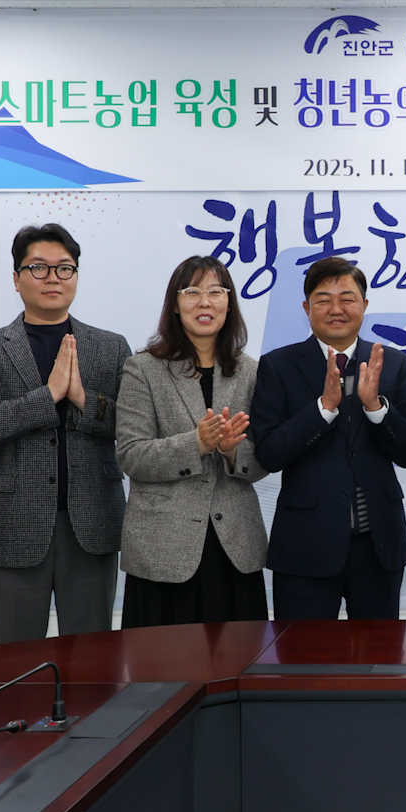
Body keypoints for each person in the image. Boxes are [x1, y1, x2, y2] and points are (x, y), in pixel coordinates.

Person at [0, 224, 131, 645]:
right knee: (16, 659)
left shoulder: (111, 347)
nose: (53, 277)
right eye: (38, 268)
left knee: (90, 657)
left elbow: (132, 426)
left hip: (92, 521)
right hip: (12, 522)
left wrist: (83, 399)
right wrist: (47, 397)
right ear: (16, 279)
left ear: (76, 276)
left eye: (64, 268)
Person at [249, 257, 406, 620]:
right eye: (323, 300)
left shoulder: (392, 363)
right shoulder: (278, 365)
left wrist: (376, 408)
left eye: (347, 298)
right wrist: (323, 409)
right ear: (307, 308)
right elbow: (268, 454)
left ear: (364, 305)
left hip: (379, 543)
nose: (336, 309)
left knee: (379, 651)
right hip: (306, 545)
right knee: (301, 653)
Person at [114, 256, 268, 625]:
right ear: (175, 303)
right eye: (192, 292)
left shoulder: (251, 371)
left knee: (238, 656)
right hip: (163, 549)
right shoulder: (143, 368)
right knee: (163, 659)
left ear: (229, 303)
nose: (204, 302)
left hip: (234, 546)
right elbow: (131, 454)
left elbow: (264, 459)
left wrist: (232, 451)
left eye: (216, 292)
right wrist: (196, 444)